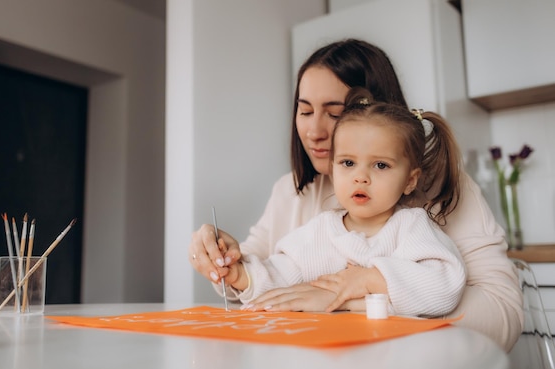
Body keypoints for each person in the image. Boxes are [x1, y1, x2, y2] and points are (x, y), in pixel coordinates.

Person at [189, 39, 523, 351]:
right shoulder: (303, 206)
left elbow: (500, 313)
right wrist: (230, 266)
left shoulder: (423, 210)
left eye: (334, 113)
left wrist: (350, 298)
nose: (315, 131)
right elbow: (267, 280)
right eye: (305, 111)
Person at [223, 88, 466, 318]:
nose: (360, 177)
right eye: (348, 163)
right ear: (333, 168)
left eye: (380, 165)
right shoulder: (320, 230)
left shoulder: (411, 226)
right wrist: (240, 276)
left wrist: (369, 280)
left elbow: (445, 287)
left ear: (410, 181)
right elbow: (278, 278)